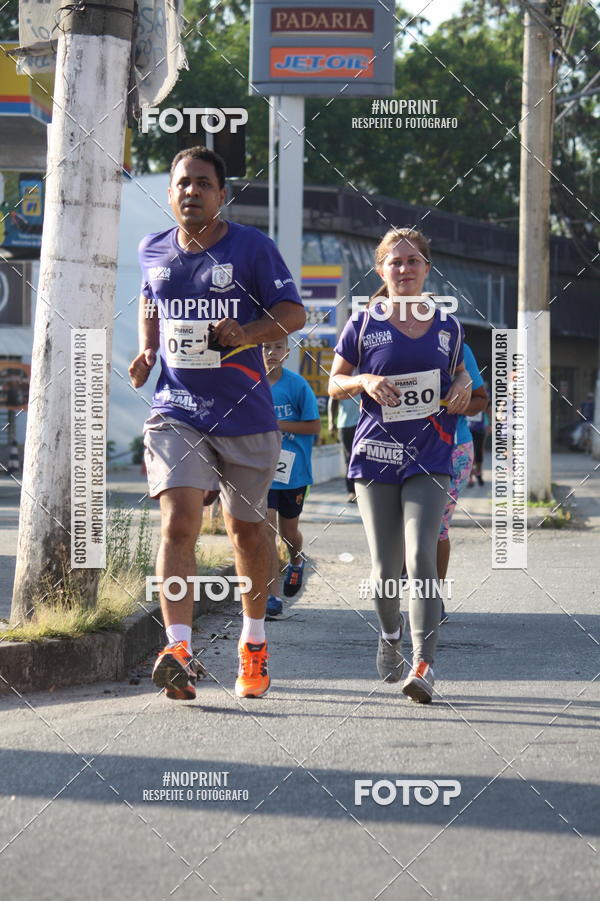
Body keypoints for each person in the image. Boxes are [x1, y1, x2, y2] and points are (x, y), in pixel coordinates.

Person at [128, 146, 305, 701]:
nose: (192, 191)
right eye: (183, 183)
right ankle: (177, 649)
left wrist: (246, 333)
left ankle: (253, 643)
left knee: (246, 532)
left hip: (245, 413)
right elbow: (150, 300)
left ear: (222, 195)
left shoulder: (252, 247)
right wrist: (148, 348)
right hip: (176, 409)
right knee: (178, 523)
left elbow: (294, 313)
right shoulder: (152, 249)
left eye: (203, 183)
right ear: (170, 192)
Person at [328, 227, 471, 704]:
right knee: (386, 568)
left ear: (427, 269)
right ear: (381, 270)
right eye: (396, 261)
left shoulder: (449, 326)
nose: (405, 269)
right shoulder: (362, 323)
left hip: (431, 454)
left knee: (421, 555)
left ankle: (424, 664)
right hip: (376, 456)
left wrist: (463, 386)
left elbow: (461, 374)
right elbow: (333, 383)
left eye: (413, 261)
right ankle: (390, 633)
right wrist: (365, 380)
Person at [263, 337, 320, 616]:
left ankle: (296, 560)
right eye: (265, 347)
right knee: (266, 530)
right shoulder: (249, 385)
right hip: (261, 470)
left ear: (287, 352)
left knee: (288, 533)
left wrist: (277, 424)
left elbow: (314, 426)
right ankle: (271, 595)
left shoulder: (297, 386)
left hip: (293, 472)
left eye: (277, 347)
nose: (271, 352)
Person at [437, 344, 488, 621]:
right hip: (399, 449)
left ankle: (432, 599)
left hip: (451, 449)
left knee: (437, 528)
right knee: (397, 526)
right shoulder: (386, 340)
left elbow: (481, 400)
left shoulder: (456, 347)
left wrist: (456, 404)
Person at [328, 395, 360, 501]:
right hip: (346, 425)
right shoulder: (341, 384)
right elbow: (333, 399)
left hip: (363, 424)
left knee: (366, 458)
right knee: (350, 459)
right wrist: (331, 422)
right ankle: (352, 491)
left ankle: (365, 490)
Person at [467, 399, 490, 486]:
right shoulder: (465, 393)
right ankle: (470, 478)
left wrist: (490, 424)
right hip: (467, 428)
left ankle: (479, 472)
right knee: (469, 453)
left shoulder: (482, 394)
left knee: (478, 452)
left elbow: (488, 410)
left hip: (480, 428)